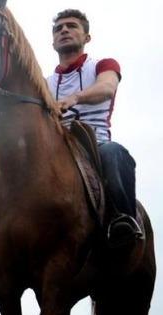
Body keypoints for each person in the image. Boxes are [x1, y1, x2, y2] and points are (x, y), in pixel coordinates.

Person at [47, 9, 142, 247]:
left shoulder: (103, 65)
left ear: (86, 37)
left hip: (94, 142)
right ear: (53, 41)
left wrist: (74, 98)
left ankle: (123, 217)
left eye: (71, 26)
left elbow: (107, 88)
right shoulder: (45, 82)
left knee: (113, 152)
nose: (64, 30)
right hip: (56, 147)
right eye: (58, 29)